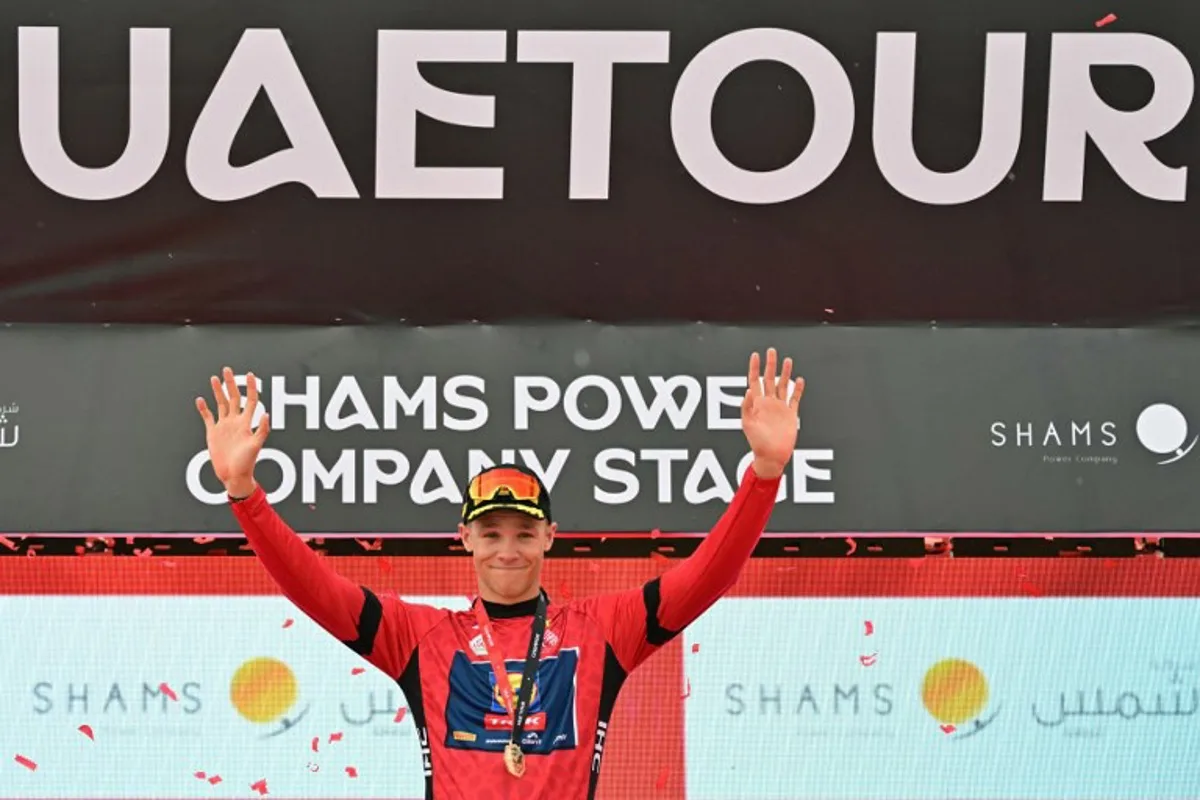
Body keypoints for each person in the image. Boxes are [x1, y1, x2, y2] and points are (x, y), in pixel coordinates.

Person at [195, 349, 805, 800]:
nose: (506, 549)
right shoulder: (422, 636)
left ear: (549, 536)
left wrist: (765, 473)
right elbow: (314, 588)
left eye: (521, 532)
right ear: (465, 540)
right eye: (490, 533)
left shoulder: (603, 629)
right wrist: (243, 492)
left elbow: (710, 575)